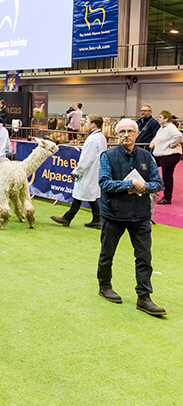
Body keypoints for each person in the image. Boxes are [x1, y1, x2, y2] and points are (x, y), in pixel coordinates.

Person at [96, 118, 165, 316]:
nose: (126, 135)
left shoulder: (146, 156)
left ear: (137, 134)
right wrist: (129, 185)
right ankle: (104, 286)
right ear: (117, 135)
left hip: (140, 215)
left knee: (144, 257)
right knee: (107, 254)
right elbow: (104, 183)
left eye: (130, 131)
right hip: (113, 214)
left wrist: (145, 187)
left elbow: (157, 183)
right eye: (122, 131)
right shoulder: (107, 156)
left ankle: (144, 297)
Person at [50, 115, 107, 229]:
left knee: (80, 194)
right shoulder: (101, 137)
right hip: (95, 170)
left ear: (93, 125)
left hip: (88, 171)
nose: (85, 124)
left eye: (87, 122)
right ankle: (97, 219)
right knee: (89, 195)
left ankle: (68, 218)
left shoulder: (92, 139)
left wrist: (77, 171)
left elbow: (87, 159)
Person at [150, 110, 182, 204]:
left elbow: (179, 135)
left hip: (170, 155)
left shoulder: (170, 127)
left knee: (167, 176)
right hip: (162, 155)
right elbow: (156, 137)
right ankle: (155, 189)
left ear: (166, 119)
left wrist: (172, 144)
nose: (158, 119)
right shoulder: (162, 128)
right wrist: (153, 143)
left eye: (160, 117)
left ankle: (167, 198)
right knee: (150, 167)